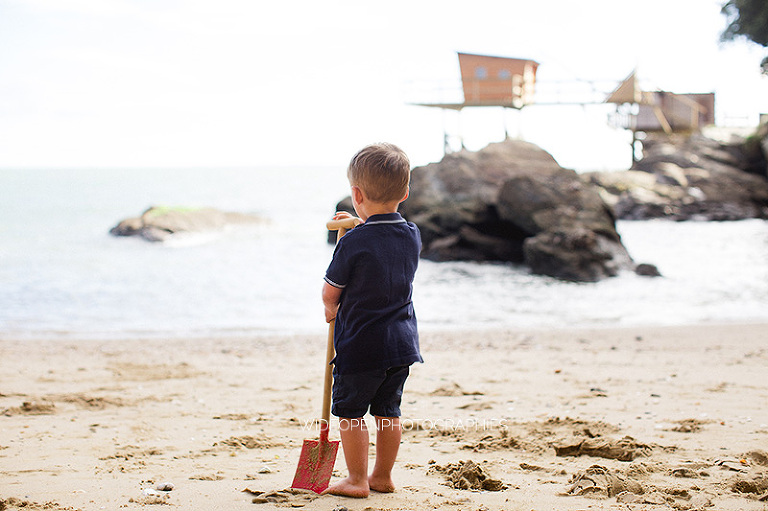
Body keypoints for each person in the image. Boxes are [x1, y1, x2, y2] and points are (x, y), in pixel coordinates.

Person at [321, 143, 423, 498]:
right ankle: (382, 476)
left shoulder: (353, 242)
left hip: (361, 344)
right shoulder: (412, 234)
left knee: (350, 412)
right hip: (401, 344)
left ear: (356, 195)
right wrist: (359, 227)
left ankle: (356, 480)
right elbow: (382, 250)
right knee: (388, 411)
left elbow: (331, 290)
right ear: (405, 193)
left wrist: (330, 308)